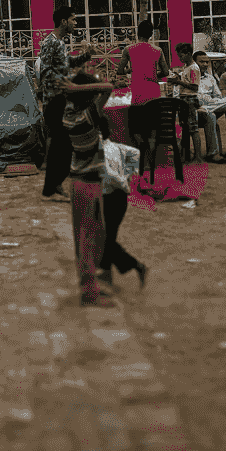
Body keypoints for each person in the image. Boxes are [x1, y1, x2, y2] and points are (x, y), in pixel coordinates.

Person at [62, 59, 149, 297]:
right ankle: (98, 284)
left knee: (87, 240)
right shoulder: (90, 119)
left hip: (79, 181)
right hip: (97, 187)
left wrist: (71, 86)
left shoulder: (69, 116)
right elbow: (107, 88)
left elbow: (78, 93)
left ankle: (97, 283)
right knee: (99, 240)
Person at [114, 20, 169, 165]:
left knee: (134, 128)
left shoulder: (128, 49)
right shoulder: (158, 50)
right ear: (151, 34)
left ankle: (139, 157)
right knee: (152, 128)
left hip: (137, 94)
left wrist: (131, 70)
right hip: (153, 95)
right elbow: (165, 72)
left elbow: (120, 71)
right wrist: (151, 75)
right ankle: (152, 160)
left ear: (137, 33)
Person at [38, 5, 79, 200]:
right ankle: (53, 187)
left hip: (62, 97)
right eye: (73, 19)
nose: (75, 23)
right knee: (61, 143)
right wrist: (64, 85)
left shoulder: (60, 43)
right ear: (63, 21)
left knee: (62, 144)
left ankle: (53, 186)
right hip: (54, 100)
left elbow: (64, 66)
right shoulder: (50, 42)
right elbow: (45, 71)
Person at [172, 43, 218, 161]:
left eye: (181, 55)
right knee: (185, 128)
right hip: (184, 99)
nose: (180, 58)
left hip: (190, 100)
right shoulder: (186, 67)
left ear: (188, 54)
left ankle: (198, 157)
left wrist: (179, 82)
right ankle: (185, 155)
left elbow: (194, 87)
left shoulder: (194, 68)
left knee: (193, 128)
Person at [195, 53, 226, 163]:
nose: (205, 64)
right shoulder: (186, 76)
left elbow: (219, 97)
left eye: (207, 62)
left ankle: (213, 153)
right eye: (202, 62)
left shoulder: (210, 79)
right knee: (207, 108)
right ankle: (213, 154)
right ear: (194, 63)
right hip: (194, 112)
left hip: (208, 109)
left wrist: (208, 103)